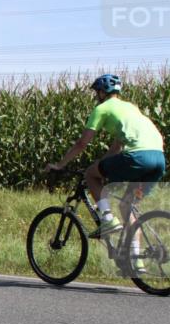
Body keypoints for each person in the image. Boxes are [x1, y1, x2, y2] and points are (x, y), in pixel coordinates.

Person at [47, 75, 166, 252]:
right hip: (158, 159)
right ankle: (135, 260)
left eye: (97, 92)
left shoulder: (101, 109)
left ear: (103, 92)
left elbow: (82, 143)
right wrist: (100, 163)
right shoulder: (131, 108)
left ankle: (108, 219)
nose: (96, 96)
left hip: (138, 157)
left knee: (89, 175)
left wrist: (60, 165)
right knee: (127, 206)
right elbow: (116, 147)